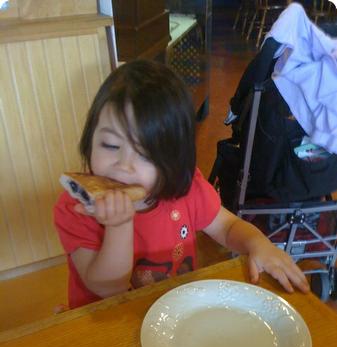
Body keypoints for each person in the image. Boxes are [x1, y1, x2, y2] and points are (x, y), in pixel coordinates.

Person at [54, 59, 309, 309]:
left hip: (174, 312)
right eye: (110, 145)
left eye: (145, 153)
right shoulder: (77, 207)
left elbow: (227, 227)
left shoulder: (184, 188)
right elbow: (109, 289)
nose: (124, 164)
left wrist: (258, 244)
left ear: (174, 159)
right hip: (104, 324)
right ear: (90, 139)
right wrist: (119, 226)